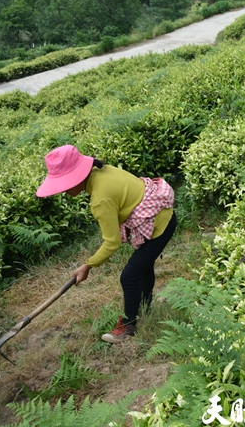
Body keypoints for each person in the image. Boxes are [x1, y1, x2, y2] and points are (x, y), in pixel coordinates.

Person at [36, 145, 177, 343]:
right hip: (161, 216)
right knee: (142, 269)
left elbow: (112, 242)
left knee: (129, 277)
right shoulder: (102, 170)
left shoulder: (100, 200)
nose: (64, 191)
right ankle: (145, 308)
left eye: (65, 184)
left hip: (158, 226)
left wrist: (88, 266)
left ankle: (129, 327)